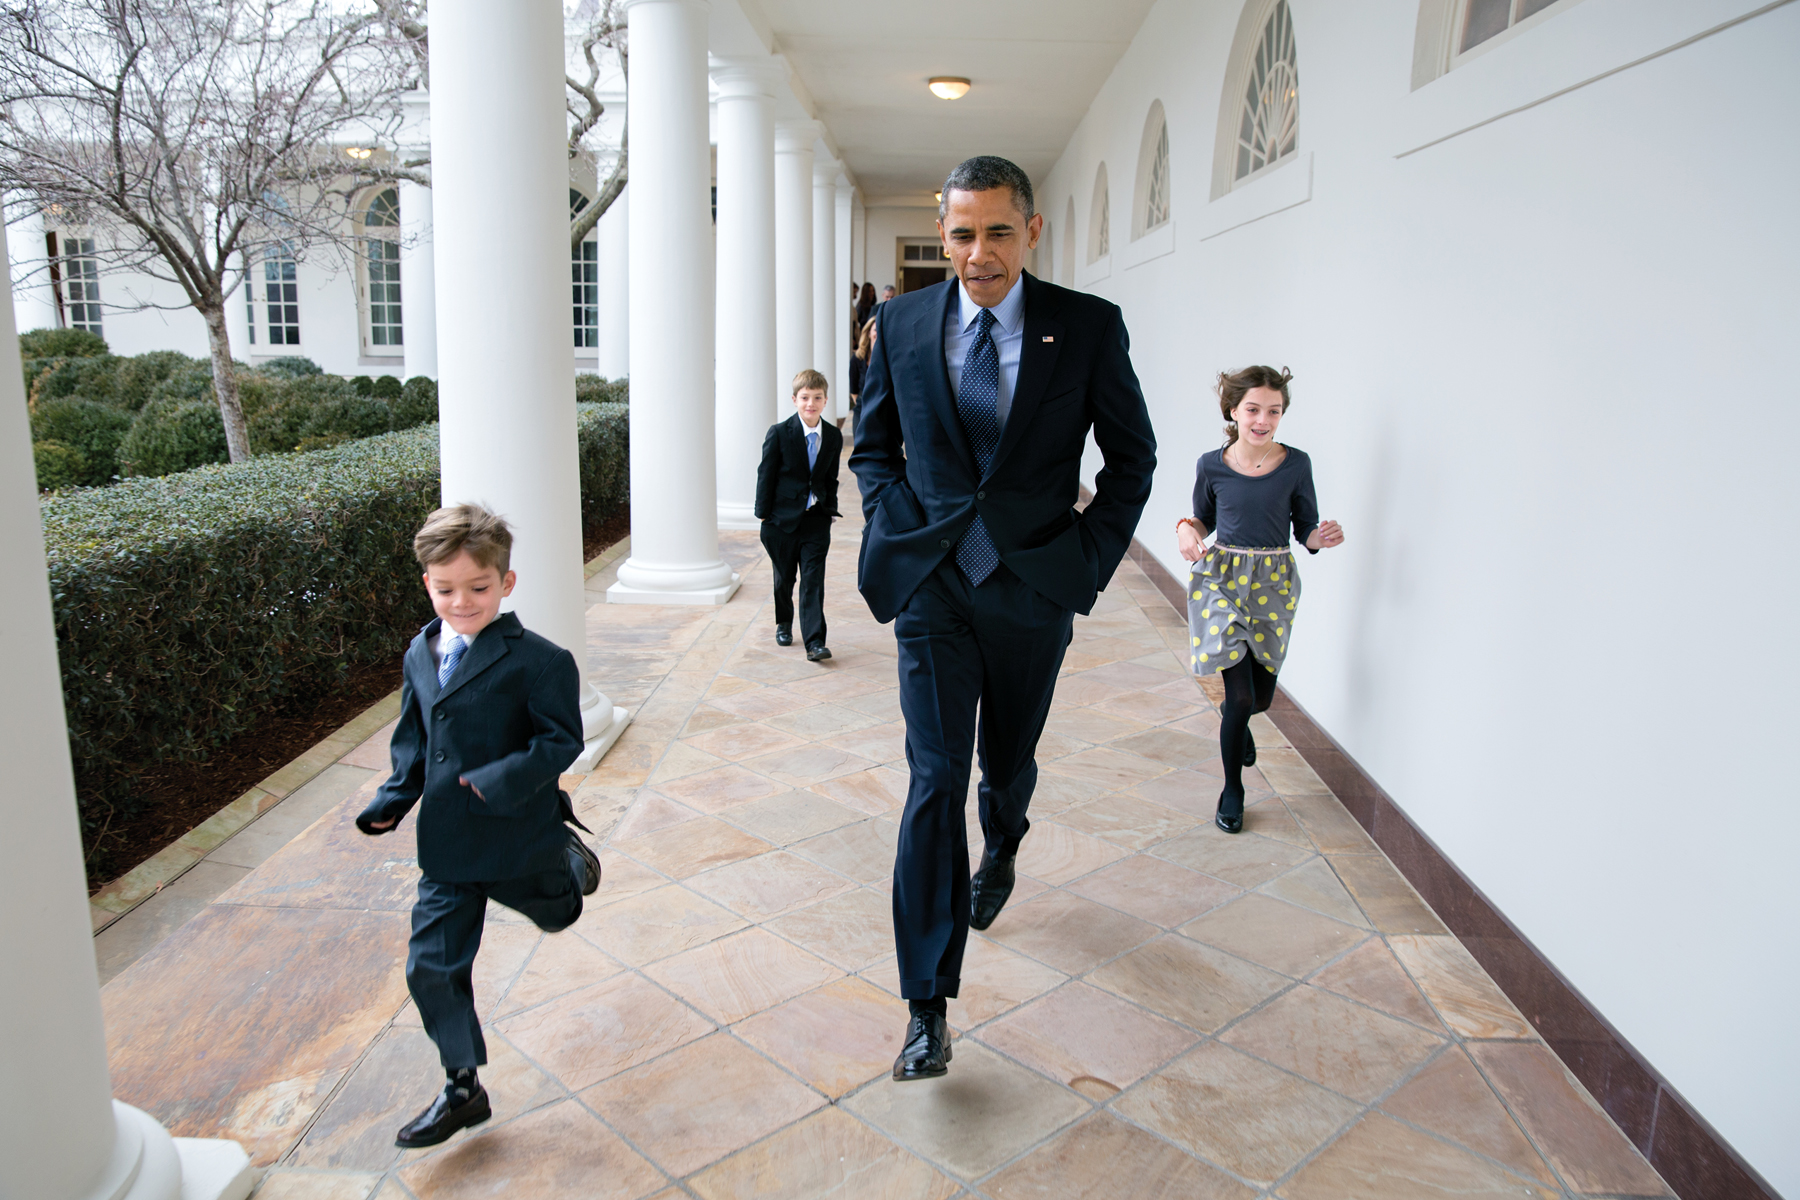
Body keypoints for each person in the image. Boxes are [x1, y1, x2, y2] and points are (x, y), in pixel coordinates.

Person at [851, 155, 1156, 1081]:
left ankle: (1009, 841)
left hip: (1029, 592)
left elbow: (1132, 459)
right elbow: (872, 452)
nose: (976, 253)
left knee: (1005, 766)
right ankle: (926, 1007)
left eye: (995, 231)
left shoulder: (1087, 327)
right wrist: (901, 533)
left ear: (1031, 230)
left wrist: (1086, 560)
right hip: (935, 592)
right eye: (959, 233)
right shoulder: (899, 324)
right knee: (933, 781)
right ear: (941, 235)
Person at [356, 504, 601, 1148]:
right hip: (448, 847)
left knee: (558, 914)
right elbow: (415, 736)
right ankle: (462, 1087)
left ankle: (565, 863)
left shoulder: (542, 662)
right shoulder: (421, 650)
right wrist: (393, 795)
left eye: (478, 588)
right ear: (428, 584)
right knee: (430, 967)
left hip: (517, 837)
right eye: (445, 589)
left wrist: (501, 779)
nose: (461, 602)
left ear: (507, 584)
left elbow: (560, 742)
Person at [1177, 367, 1344, 834]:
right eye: (1253, 409)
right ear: (1234, 411)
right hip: (1222, 580)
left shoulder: (1296, 464)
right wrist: (1186, 529)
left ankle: (1242, 722)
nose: (1263, 419)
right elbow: (1203, 518)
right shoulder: (1211, 464)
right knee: (1240, 694)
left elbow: (1304, 528)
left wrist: (1320, 537)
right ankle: (1233, 790)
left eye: (1273, 411)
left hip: (1273, 584)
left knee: (1261, 699)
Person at [756, 368, 843, 662]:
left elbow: (830, 477)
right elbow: (765, 475)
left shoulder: (832, 436)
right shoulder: (779, 433)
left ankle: (815, 641)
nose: (811, 404)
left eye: (817, 398)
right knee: (784, 579)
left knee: (813, 580)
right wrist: (763, 517)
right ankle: (783, 622)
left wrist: (829, 507)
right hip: (781, 521)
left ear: (825, 400)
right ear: (794, 399)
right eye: (805, 397)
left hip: (816, 520)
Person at [849, 318, 875, 412]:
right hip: (862, 408)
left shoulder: (890, 358)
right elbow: (853, 390)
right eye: (875, 330)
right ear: (869, 333)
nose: (878, 333)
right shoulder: (857, 359)